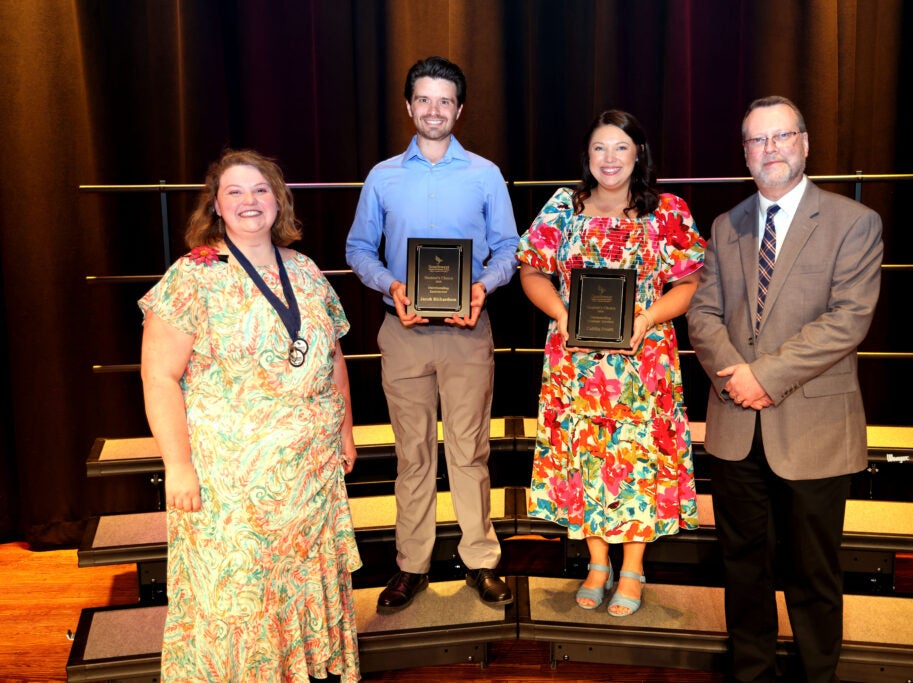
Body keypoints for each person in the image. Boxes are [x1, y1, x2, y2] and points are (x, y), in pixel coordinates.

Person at [140, 149, 361, 682]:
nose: (249, 201)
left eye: (260, 190)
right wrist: (179, 466)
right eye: (235, 191)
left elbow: (332, 357)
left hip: (308, 473)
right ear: (215, 205)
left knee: (295, 582)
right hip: (232, 481)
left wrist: (345, 433)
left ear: (278, 201)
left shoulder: (305, 270)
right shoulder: (192, 277)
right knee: (239, 594)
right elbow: (159, 377)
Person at [686, 96, 884, 682]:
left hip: (813, 431)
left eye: (780, 137)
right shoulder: (726, 226)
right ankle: (752, 672)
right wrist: (737, 378)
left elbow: (848, 320)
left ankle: (818, 674)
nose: (769, 149)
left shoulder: (854, 222)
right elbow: (703, 315)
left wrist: (763, 377)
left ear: (804, 143)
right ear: (745, 154)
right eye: (756, 141)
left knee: (813, 574)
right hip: (735, 429)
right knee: (743, 570)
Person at [345, 56, 519, 613]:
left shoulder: (485, 174)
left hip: (468, 333)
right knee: (413, 455)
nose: (434, 110)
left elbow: (509, 250)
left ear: (460, 109)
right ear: (409, 106)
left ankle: (481, 562)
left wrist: (483, 288)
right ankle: (411, 565)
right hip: (403, 333)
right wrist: (390, 285)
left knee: (470, 452)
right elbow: (356, 249)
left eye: (445, 101)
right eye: (424, 99)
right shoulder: (382, 176)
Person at [517, 109, 706, 617]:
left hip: (643, 366)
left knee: (636, 461)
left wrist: (647, 318)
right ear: (587, 156)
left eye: (621, 147)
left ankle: (632, 567)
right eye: (600, 147)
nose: (610, 158)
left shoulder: (666, 211)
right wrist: (561, 314)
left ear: (638, 153)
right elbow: (532, 271)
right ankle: (596, 563)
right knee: (585, 459)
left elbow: (689, 285)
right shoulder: (563, 207)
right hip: (574, 365)